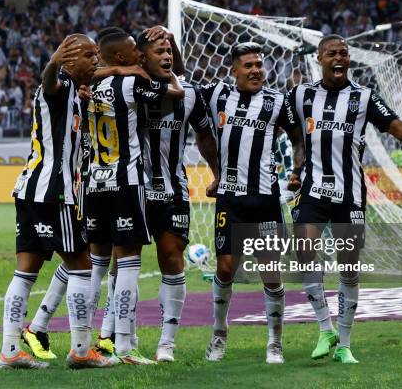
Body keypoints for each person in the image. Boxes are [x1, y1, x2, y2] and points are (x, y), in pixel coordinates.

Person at [288, 34, 402, 364]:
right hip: (313, 192)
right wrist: (295, 167)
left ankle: (345, 344)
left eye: (344, 54)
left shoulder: (364, 98)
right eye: (332, 53)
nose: (340, 57)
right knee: (305, 254)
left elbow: (401, 131)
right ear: (319, 59)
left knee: (349, 269)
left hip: (350, 196)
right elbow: (293, 133)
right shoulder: (301, 95)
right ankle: (325, 329)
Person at [0, 34, 114, 370]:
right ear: (69, 59)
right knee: (81, 266)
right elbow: (48, 82)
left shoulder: (74, 92)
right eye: (90, 56)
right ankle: (80, 349)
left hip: (32, 192)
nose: (96, 61)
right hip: (56, 194)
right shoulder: (58, 83)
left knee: (25, 271)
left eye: (98, 56)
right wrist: (53, 62)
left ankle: (10, 350)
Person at [199, 42, 305, 364]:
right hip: (230, 198)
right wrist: (216, 170)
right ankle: (218, 336)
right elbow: (196, 124)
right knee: (225, 267)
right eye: (248, 65)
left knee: (271, 273)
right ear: (234, 70)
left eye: (259, 64)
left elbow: (298, 136)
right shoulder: (217, 95)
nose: (256, 70)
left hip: (266, 199)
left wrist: (297, 169)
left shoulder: (276, 101)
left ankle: (275, 343)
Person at [84, 29, 184, 365]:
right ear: (125, 57)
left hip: (95, 183)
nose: (142, 58)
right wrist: (138, 72)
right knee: (126, 264)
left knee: (92, 267)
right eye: (137, 53)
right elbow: (175, 90)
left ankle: (82, 343)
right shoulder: (132, 84)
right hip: (128, 182)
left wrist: (111, 69)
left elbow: (82, 73)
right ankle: (124, 346)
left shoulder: (90, 84)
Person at [136, 28, 219, 362]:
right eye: (160, 50)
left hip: (173, 188)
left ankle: (166, 342)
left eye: (170, 50)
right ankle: (117, 337)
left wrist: (217, 172)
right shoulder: (131, 89)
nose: (167, 54)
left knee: (172, 258)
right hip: (134, 188)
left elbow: (204, 135)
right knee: (122, 262)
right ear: (142, 58)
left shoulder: (191, 94)